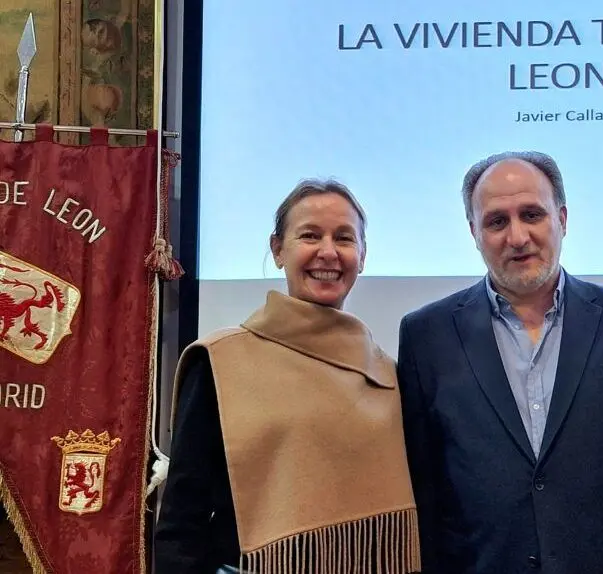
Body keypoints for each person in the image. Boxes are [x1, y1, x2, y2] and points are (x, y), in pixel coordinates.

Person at [397, 151, 603, 574]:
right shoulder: (426, 335)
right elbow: (427, 491)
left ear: (562, 219)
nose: (517, 236)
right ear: (474, 231)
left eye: (532, 214)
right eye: (497, 221)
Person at [153, 179, 420, 573]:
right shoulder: (219, 363)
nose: (328, 252)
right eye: (310, 235)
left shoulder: (387, 374)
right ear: (278, 250)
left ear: (362, 256)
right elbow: (181, 527)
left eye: (344, 238)